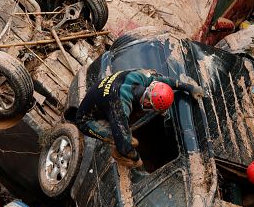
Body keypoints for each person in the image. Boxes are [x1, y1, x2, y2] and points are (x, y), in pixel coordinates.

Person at [75, 69, 204, 168]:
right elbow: (124, 146)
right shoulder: (119, 107)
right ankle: (117, 155)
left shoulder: (138, 78)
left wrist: (188, 87)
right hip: (87, 119)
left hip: (101, 98)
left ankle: (114, 124)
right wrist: (138, 161)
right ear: (149, 104)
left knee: (124, 129)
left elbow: (163, 81)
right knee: (129, 142)